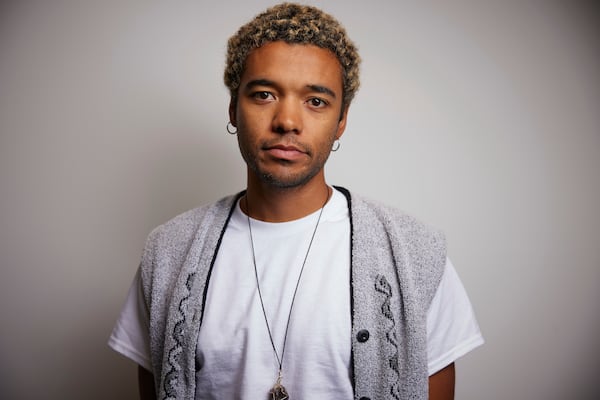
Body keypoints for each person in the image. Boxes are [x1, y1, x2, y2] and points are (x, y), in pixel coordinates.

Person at [108, 3, 483, 399]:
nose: (287, 120)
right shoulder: (167, 252)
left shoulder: (414, 254)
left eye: (316, 101)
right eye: (265, 94)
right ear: (234, 108)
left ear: (341, 120)